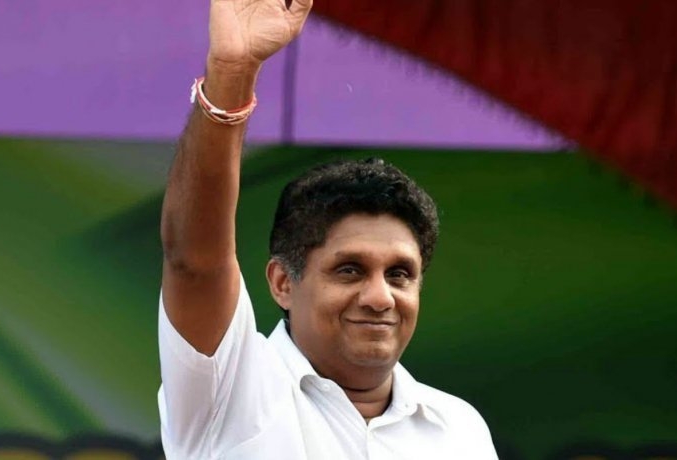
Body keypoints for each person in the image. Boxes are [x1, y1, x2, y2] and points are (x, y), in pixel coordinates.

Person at [157, 0, 499, 458]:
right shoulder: (231, 389)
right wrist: (231, 75)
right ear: (283, 282)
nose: (380, 298)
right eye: (350, 270)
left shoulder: (458, 429)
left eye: (399, 275)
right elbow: (193, 262)